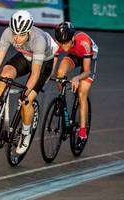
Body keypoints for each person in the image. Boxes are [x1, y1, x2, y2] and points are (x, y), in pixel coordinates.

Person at [0, 10, 58, 154]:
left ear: (28, 31)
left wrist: (25, 94)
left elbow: (35, 73)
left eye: (21, 35)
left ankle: (25, 133)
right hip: (25, 57)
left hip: (43, 63)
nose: (17, 38)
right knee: (4, 75)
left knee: (27, 101)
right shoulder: (8, 33)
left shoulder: (38, 40)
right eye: (15, 34)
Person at [54, 22, 98, 150]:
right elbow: (54, 63)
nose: (63, 46)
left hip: (89, 58)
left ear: (72, 38)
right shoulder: (60, 43)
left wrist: (77, 78)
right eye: (61, 43)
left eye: (66, 43)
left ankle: (83, 134)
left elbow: (87, 71)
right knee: (59, 73)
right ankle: (62, 102)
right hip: (75, 55)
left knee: (82, 93)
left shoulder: (83, 42)